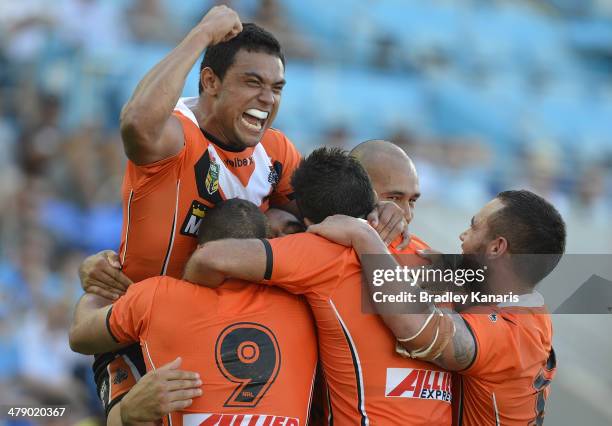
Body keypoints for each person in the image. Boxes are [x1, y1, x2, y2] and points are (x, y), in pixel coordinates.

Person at [82, 5, 407, 422]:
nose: (268, 98)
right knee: (129, 418)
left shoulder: (276, 152)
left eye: (277, 87)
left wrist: (377, 209)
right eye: (253, 82)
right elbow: (137, 124)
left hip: (230, 332)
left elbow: (331, 213)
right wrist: (201, 34)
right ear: (210, 81)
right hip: (139, 327)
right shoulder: (175, 137)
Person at [182, 147, 452, 425]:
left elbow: (210, 258)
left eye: (412, 200)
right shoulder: (433, 257)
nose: (405, 213)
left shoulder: (323, 252)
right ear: (367, 192)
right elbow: (497, 293)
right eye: (394, 198)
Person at [307, 189, 564, 425]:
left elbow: (416, 330)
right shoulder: (527, 308)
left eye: (474, 227)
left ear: (497, 247)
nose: (462, 236)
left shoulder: (509, 334)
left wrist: (365, 236)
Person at [70, 199, 318, 426]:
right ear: (265, 248)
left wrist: (98, 278)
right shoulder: (307, 302)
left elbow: (80, 335)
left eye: (291, 232)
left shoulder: (156, 296)